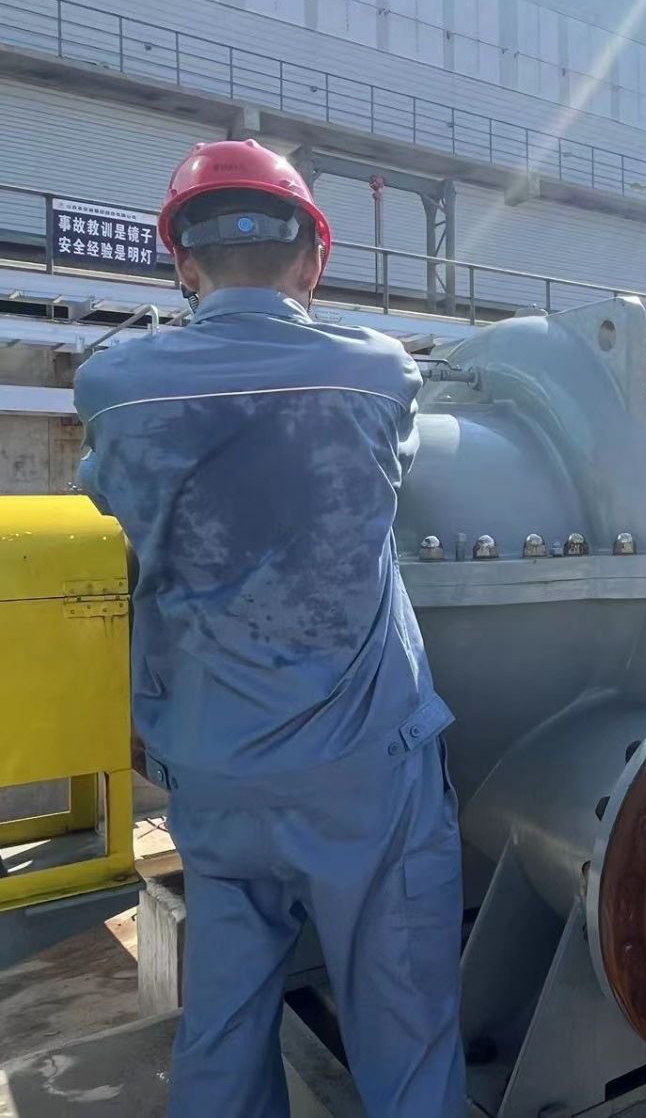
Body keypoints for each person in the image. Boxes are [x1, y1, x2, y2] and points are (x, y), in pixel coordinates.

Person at [72, 140, 464, 1115]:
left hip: (215, 767)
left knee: (225, 1018)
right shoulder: (377, 372)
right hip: (365, 772)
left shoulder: (116, 386)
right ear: (314, 260)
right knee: (404, 1031)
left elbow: (108, 495)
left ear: (183, 261)